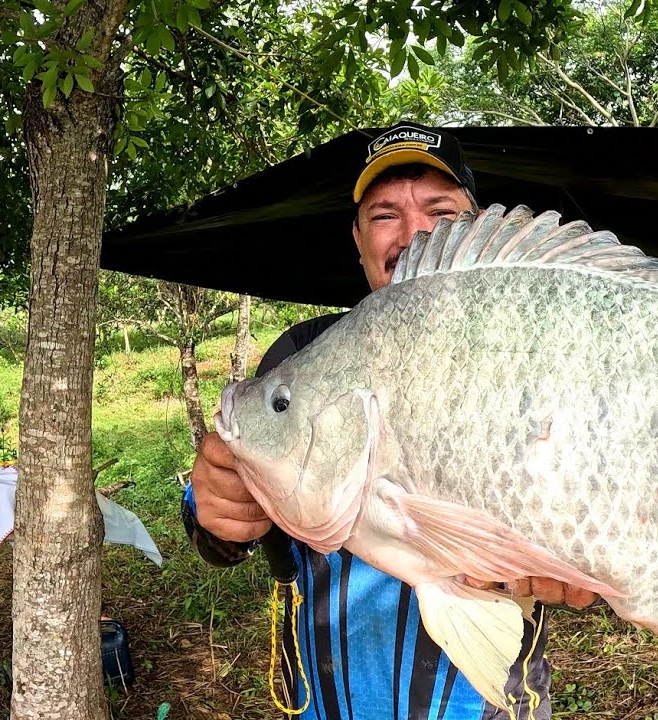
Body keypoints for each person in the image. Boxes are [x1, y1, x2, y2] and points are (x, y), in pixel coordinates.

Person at [181, 121, 592, 720]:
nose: (413, 233)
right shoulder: (300, 358)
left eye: (439, 209)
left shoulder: (539, 348)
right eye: (384, 214)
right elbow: (226, 530)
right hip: (330, 702)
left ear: (477, 227)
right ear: (356, 237)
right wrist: (211, 511)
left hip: (488, 702)